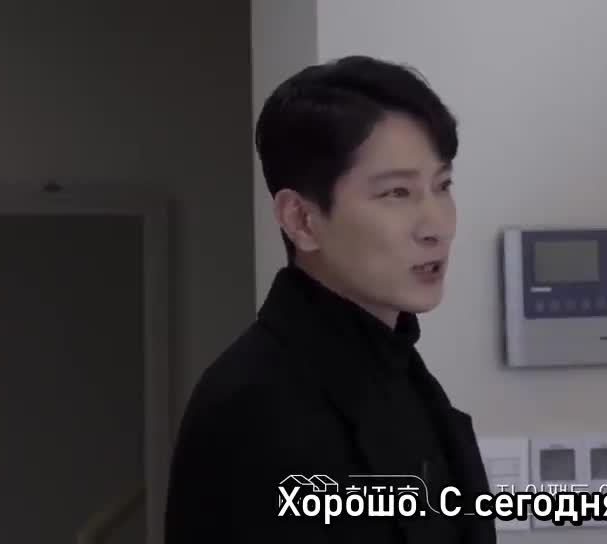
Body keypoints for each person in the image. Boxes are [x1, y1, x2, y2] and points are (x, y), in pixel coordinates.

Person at [164, 56, 495, 544]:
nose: (436, 226)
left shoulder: (405, 377)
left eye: (442, 186)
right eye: (397, 193)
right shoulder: (256, 407)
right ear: (301, 220)